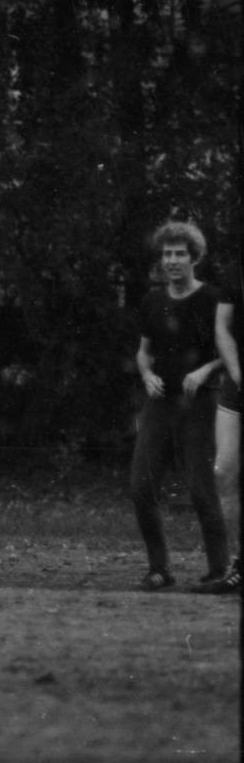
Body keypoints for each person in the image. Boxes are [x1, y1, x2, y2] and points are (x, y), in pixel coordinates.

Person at [129, 220, 228, 592]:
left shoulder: (212, 299)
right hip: (159, 405)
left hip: (199, 405)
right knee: (141, 488)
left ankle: (219, 572)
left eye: (179, 254)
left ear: (194, 258)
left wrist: (205, 370)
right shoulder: (153, 301)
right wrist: (146, 375)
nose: (171, 260)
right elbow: (143, 353)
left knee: (201, 490)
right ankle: (159, 569)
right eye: (167, 254)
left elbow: (229, 351)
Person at [193, 270, 238, 594]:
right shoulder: (236, 275)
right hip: (237, 390)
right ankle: (239, 564)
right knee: (224, 472)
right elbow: (222, 328)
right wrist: (236, 372)